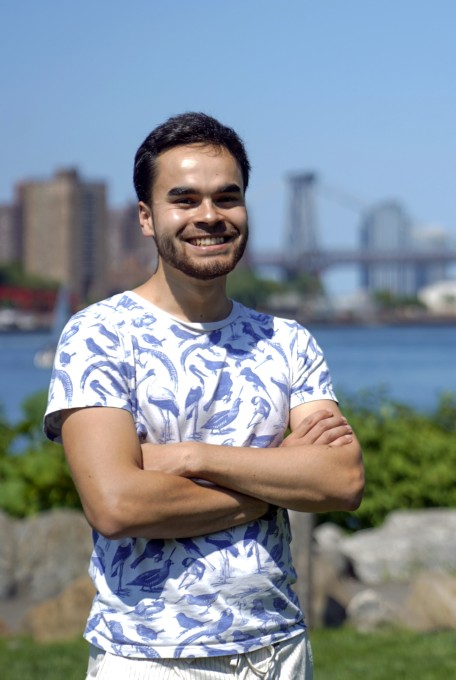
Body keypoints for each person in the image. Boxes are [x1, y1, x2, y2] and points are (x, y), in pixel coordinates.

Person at [44, 111, 365, 678]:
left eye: (227, 197)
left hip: (279, 650)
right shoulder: (98, 335)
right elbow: (118, 505)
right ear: (147, 217)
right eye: (185, 200)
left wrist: (193, 458)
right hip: (148, 656)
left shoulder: (288, 341)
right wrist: (277, 480)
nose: (210, 217)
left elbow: (340, 480)